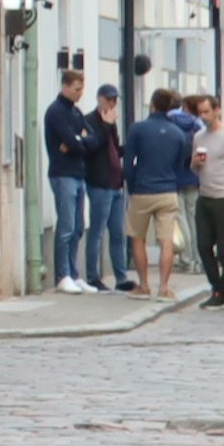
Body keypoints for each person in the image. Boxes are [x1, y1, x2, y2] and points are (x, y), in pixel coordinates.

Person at [123, 86, 202, 300]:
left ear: (152, 104)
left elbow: (129, 163)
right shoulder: (177, 134)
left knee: (137, 238)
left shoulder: (137, 129)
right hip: (168, 191)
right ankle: (164, 288)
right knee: (167, 240)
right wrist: (172, 185)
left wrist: (131, 186)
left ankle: (144, 285)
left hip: (142, 190)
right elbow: (179, 165)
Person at [42, 59, 104, 293]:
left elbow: (92, 141)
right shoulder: (56, 112)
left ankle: (74, 273)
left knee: (78, 226)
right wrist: (78, 140)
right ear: (66, 86)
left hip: (78, 173)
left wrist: (80, 140)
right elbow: (71, 142)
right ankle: (63, 275)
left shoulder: (76, 112)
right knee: (66, 226)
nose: (80, 94)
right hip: (62, 174)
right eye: (77, 89)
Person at [192, 93, 224, 304]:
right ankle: (217, 287)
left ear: (217, 110)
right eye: (200, 113)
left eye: (207, 112)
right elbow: (194, 169)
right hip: (204, 196)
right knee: (203, 245)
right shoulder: (198, 137)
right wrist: (195, 163)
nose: (204, 116)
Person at [87, 85, 132, 292]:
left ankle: (121, 277)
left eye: (115, 100)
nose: (112, 104)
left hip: (116, 183)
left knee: (117, 233)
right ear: (100, 99)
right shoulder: (90, 121)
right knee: (97, 232)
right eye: (109, 99)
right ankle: (92, 276)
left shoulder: (112, 124)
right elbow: (93, 146)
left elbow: (114, 149)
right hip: (99, 183)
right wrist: (105, 125)